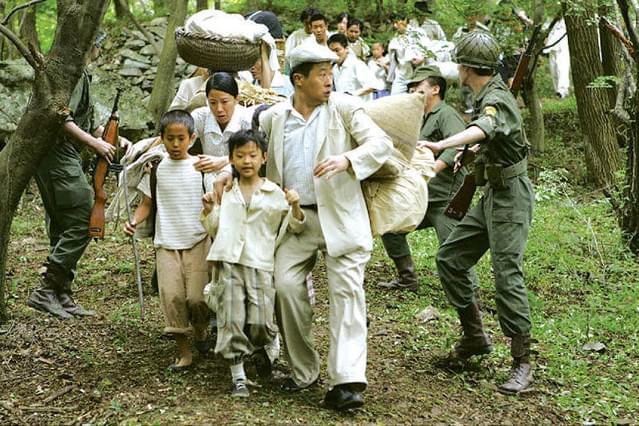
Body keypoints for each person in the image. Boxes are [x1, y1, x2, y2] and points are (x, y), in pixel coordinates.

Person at [214, 43, 392, 409]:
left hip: (340, 216)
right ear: (299, 79)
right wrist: (225, 175)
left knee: (346, 293)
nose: (329, 81)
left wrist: (347, 158)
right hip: (296, 219)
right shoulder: (273, 117)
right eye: (322, 74)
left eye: (331, 73)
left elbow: (380, 144)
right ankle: (303, 370)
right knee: (284, 285)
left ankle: (347, 382)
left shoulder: (344, 108)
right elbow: (251, 155)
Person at [421, 31, 535, 394]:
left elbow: (486, 126)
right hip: (490, 196)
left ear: (467, 68)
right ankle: (475, 337)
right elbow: (491, 138)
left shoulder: (496, 98)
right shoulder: (487, 93)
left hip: (510, 197)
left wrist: (442, 143)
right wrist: (468, 154)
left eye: (459, 64)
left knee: (506, 274)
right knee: (451, 258)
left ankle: (522, 363)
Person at [27, 31, 129, 319]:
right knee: (86, 215)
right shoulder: (70, 73)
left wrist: (111, 138)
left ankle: (61, 292)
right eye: (99, 42)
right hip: (56, 153)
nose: (100, 47)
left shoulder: (81, 74)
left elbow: (84, 121)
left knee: (64, 222)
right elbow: (59, 115)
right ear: (92, 45)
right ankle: (46, 289)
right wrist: (93, 143)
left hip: (65, 154)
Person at [201, 129, 305, 398]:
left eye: (252, 155)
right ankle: (239, 378)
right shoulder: (227, 192)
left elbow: (293, 227)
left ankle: (268, 343)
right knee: (231, 320)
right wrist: (209, 209)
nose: (247, 161)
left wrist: (295, 206)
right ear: (231, 159)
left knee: (260, 322)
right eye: (240, 156)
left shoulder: (274, 194)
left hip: (260, 263)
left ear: (263, 157)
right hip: (229, 262)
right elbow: (215, 228)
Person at [124, 110, 213, 370]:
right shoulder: (157, 169)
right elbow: (146, 203)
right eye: (170, 138)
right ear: (161, 138)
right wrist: (134, 221)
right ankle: (184, 352)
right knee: (172, 297)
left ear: (192, 138)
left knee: (198, 298)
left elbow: (212, 204)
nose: (175, 145)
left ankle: (200, 329)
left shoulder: (201, 168)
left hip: (197, 240)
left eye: (181, 138)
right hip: (166, 242)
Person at [379, 65, 479, 292]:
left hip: (446, 198)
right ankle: (407, 278)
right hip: (422, 195)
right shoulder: (417, 118)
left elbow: (457, 146)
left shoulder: (446, 114)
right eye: (411, 87)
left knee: (452, 248)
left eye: (418, 86)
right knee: (391, 227)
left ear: (435, 89)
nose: (413, 91)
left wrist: (431, 170)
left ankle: (469, 294)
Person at [190, 73, 253, 175]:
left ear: (237, 99)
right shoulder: (201, 117)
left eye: (224, 102)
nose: (219, 109)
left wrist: (226, 161)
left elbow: (254, 155)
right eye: (213, 103)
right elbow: (180, 142)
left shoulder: (247, 119)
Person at [328, 33, 382, 102]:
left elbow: (373, 86)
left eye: (337, 50)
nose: (334, 54)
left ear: (346, 49)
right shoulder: (335, 68)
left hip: (361, 108)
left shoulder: (357, 64)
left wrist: (352, 95)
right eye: (332, 51)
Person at [387, 15, 430, 94]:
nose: (395, 25)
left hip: (418, 74)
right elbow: (393, 60)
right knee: (394, 100)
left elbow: (429, 49)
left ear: (405, 20)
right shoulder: (395, 39)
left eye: (397, 22)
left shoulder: (418, 33)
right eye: (393, 23)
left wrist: (422, 58)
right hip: (401, 75)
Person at [544, 18, 570, 99]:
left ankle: (563, 91)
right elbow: (544, 31)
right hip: (552, 48)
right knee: (554, 71)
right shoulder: (550, 20)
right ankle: (557, 92)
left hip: (563, 48)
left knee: (562, 69)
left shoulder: (567, 21)